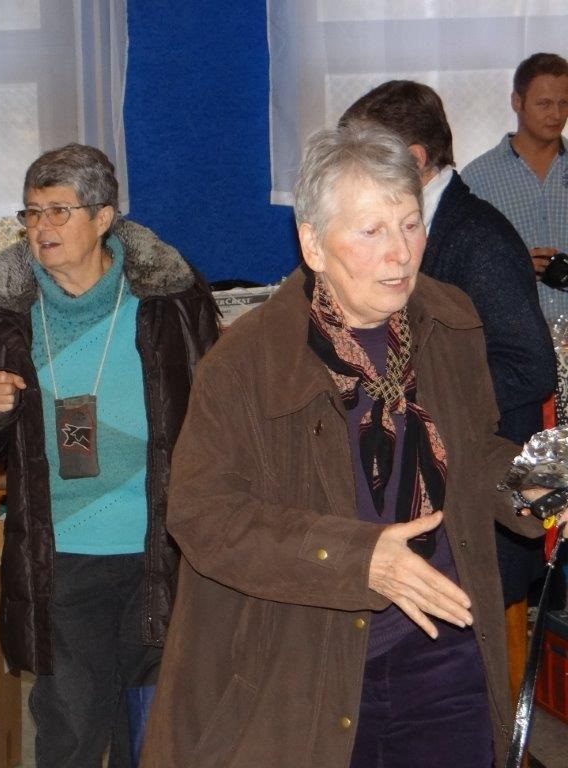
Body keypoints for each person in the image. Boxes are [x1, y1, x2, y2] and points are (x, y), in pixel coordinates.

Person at [141, 124, 561, 768]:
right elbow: (202, 516)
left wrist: (540, 484)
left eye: (411, 225)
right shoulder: (246, 362)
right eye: (371, 231)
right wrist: (358, 559)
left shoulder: (449, 319)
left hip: (445, 648)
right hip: (305, 660)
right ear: (313, 243)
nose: (400, 253)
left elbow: (471, 453)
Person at [0, 143, 219, 767]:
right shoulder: (0, 314)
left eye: (58, 211)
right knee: (69, 733)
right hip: (61, 555)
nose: (40, 227)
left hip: (160, 550)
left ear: (103, 218)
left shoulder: (171, 301)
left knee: (151, 734)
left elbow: (219, 414)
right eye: (31, 212)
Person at [340, 80, 557, 607]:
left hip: (480, 506)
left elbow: (530, 368)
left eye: (367, 156)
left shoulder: (478, 239)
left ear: (414, 160)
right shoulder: (422, 229)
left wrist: (414, 403)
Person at [462, 52, 568, 324]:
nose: (556, 114)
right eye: (544, 104)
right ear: (516, 102)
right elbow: (461, 266)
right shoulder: (477, 179)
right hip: (513, 336)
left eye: (564, 103)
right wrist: (511, 269)